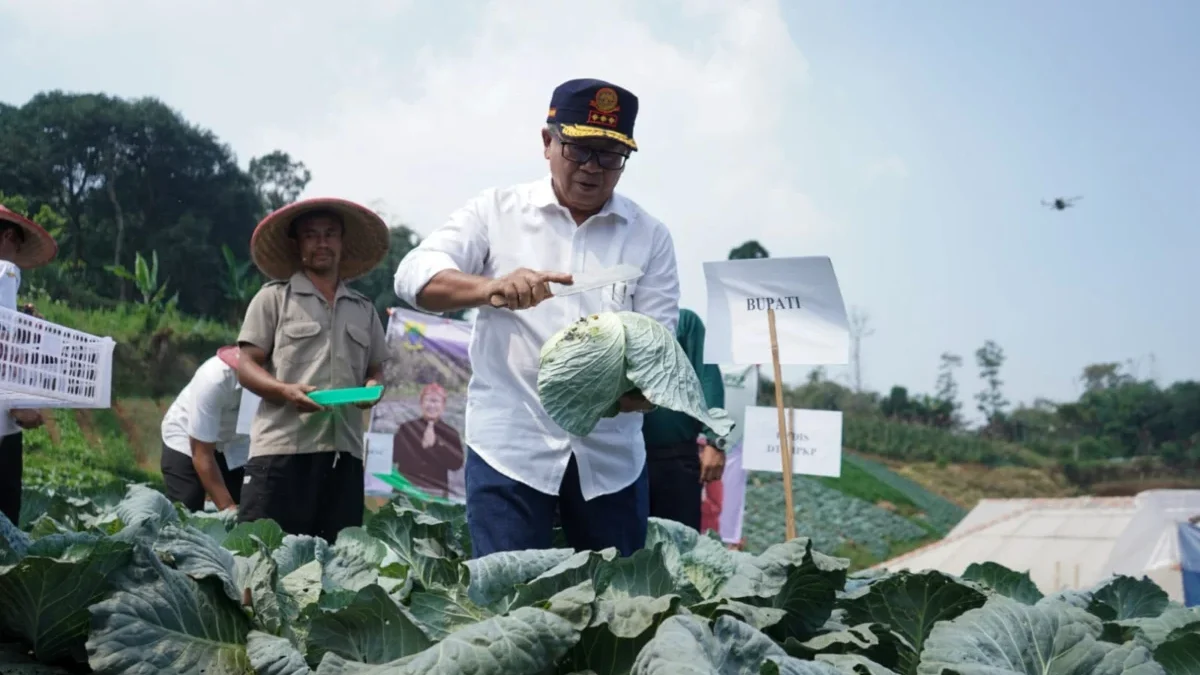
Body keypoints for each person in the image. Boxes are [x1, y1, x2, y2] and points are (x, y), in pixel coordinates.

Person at [394, 78, 681, 559]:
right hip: (511, 447)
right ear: (547, 143)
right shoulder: (495, 212)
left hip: (610, 459)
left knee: (621, 612)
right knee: (507, 607)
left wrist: (631, 395)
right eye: (578, 150)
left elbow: (659, 352)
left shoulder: (650, 237)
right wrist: (490, 289)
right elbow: (413, 277)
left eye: (609, 156)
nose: (592, 168)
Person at [235, 198, 390, 541]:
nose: (322, 243)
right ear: (297, 244)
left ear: (342, 242)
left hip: (343, 458)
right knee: (258, 564)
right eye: (311, 235)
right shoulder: (274, 298)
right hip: (281, 453)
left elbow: (376, 369)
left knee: (337, 573)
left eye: (330, 234)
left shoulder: (363, 309)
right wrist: (284, 392)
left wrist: (373, 388)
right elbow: (246, 366)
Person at [641, 309, 728, 532]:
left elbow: (707, 377)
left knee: (678, 548)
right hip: (613, 458)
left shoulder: (684, 322)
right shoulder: (606, 320)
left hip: (675, 459)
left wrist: (714, 440)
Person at [0, 205, 56, 526]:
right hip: (3, 421)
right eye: (17, 246)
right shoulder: (5, 270)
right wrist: (22, 403)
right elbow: (4, 343)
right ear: (9, 236)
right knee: (5, 520)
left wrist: (21, 318)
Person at [159, 345, 250, 512]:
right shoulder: (214, 379)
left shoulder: (272, 381)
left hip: (232, 444)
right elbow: (202, 454)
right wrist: (227, 507)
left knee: (249, 503)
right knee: (188, 504)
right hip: (186, 439)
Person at [392, 382, 465, 499]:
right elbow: (393, 457)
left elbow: (457, 463)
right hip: (406, 490)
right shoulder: (407, 428)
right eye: (428, 400)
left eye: (436, 401)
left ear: (443, 406)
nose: (432, 405)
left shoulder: (450, 433)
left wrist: (437, 445)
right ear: (421, 403)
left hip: (436, 494)